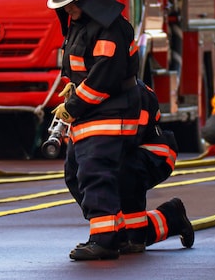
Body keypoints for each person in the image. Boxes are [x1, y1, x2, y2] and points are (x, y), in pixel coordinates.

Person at [47, 0, 141, 260]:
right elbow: (81, 69)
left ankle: (104, 241)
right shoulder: (81, 24)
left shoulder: (109, 29)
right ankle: (115, 232)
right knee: (75, 174)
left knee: (94, 174)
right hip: (91, 116)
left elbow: (103, 78)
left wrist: (70, 108)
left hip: (109, 116)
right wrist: (70, 88)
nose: (67, 11)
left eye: (72, 5)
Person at [63, 80, 195, 254]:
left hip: (153, 153)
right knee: (77, 173)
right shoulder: (84, 95)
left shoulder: (132, 93)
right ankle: (170, 218)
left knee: (114, 171)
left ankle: (131, 234)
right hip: (123, 155)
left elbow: (125, 141)